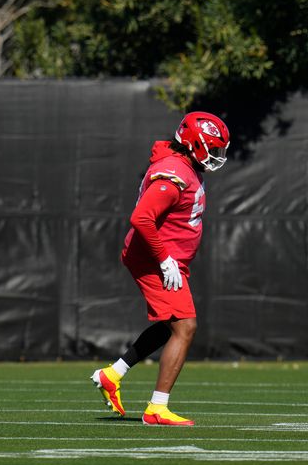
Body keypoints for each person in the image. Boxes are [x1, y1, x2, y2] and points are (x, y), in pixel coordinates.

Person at [90, 112, 230, 426]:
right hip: (155, 257)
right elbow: (141, 218)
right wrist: (165, 259)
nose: (217, 157)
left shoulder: (186, 166)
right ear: (193, 144)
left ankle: (114, 373)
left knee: (172, 325)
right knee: (185, 328)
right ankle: (157, 409)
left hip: (167, 258)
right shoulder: (173, 171)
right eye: (212, 149)